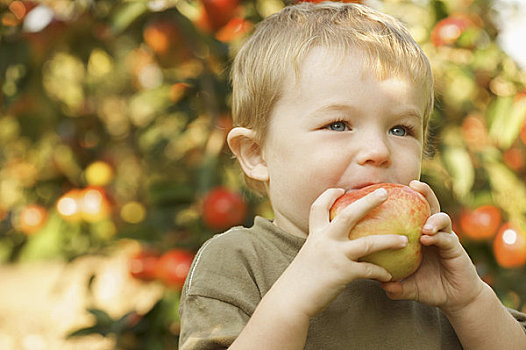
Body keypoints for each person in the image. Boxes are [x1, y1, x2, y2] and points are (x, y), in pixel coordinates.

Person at [178, 2, 526, 349]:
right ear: (256, 154)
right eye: (338, 124)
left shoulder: (431, 272)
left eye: (401, 129)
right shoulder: (238, 262)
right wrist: (294, 299)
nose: (378, 150)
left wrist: (469, 301)